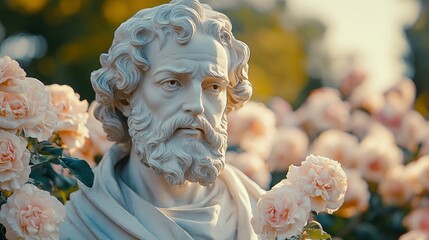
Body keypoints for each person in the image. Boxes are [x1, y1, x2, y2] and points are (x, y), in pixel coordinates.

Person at [60, 0, 264, 239]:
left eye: (214, 87)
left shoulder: (261, 212)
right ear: (126, 98)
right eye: (173, 83)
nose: (197, 105)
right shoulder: (79, 221)